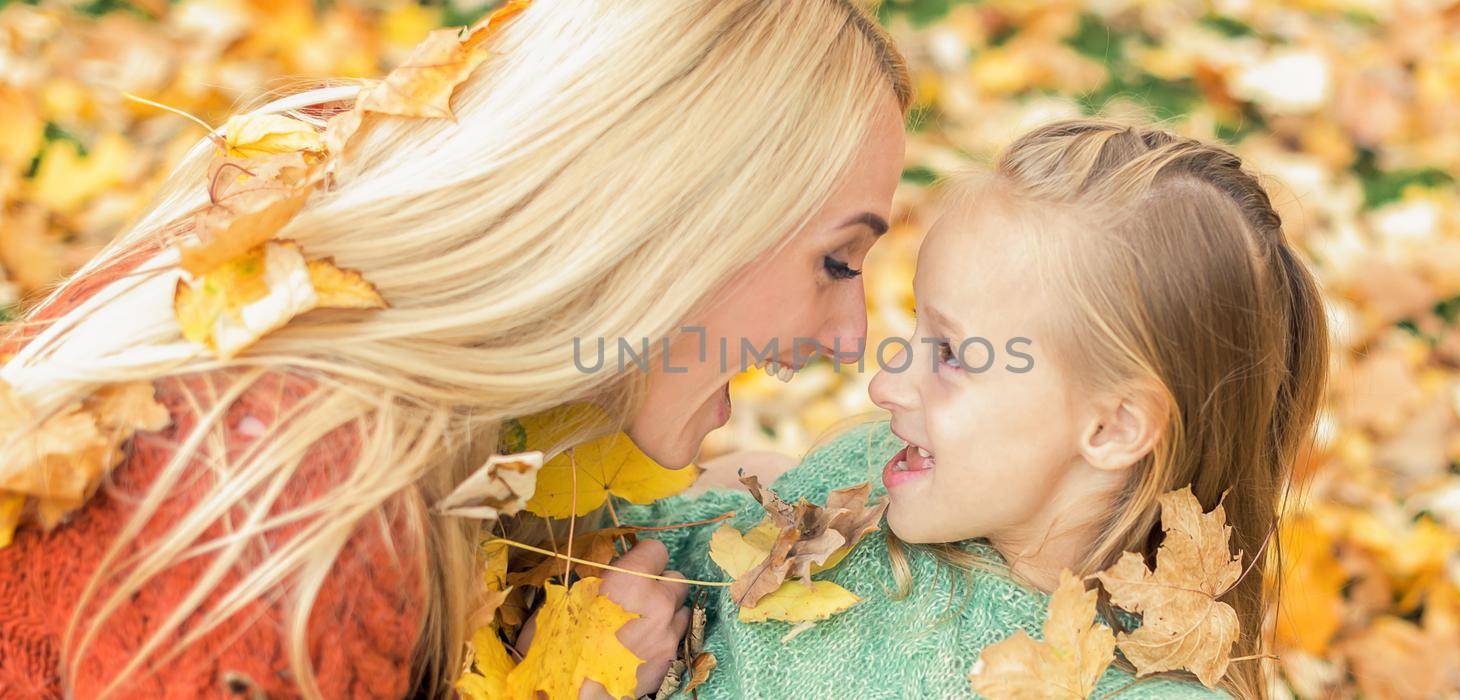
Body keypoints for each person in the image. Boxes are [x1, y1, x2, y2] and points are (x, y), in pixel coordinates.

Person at [0, 1, 910, 697]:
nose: (851, 338)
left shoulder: (392, 353)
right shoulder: (309, 510)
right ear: (668, 221)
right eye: (836, 259)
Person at [624, 119, 1330, 699]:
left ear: (1112, 427)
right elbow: (653, 553)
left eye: (953, 355)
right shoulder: (866, 485)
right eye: (915, 332)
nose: (886, 388)